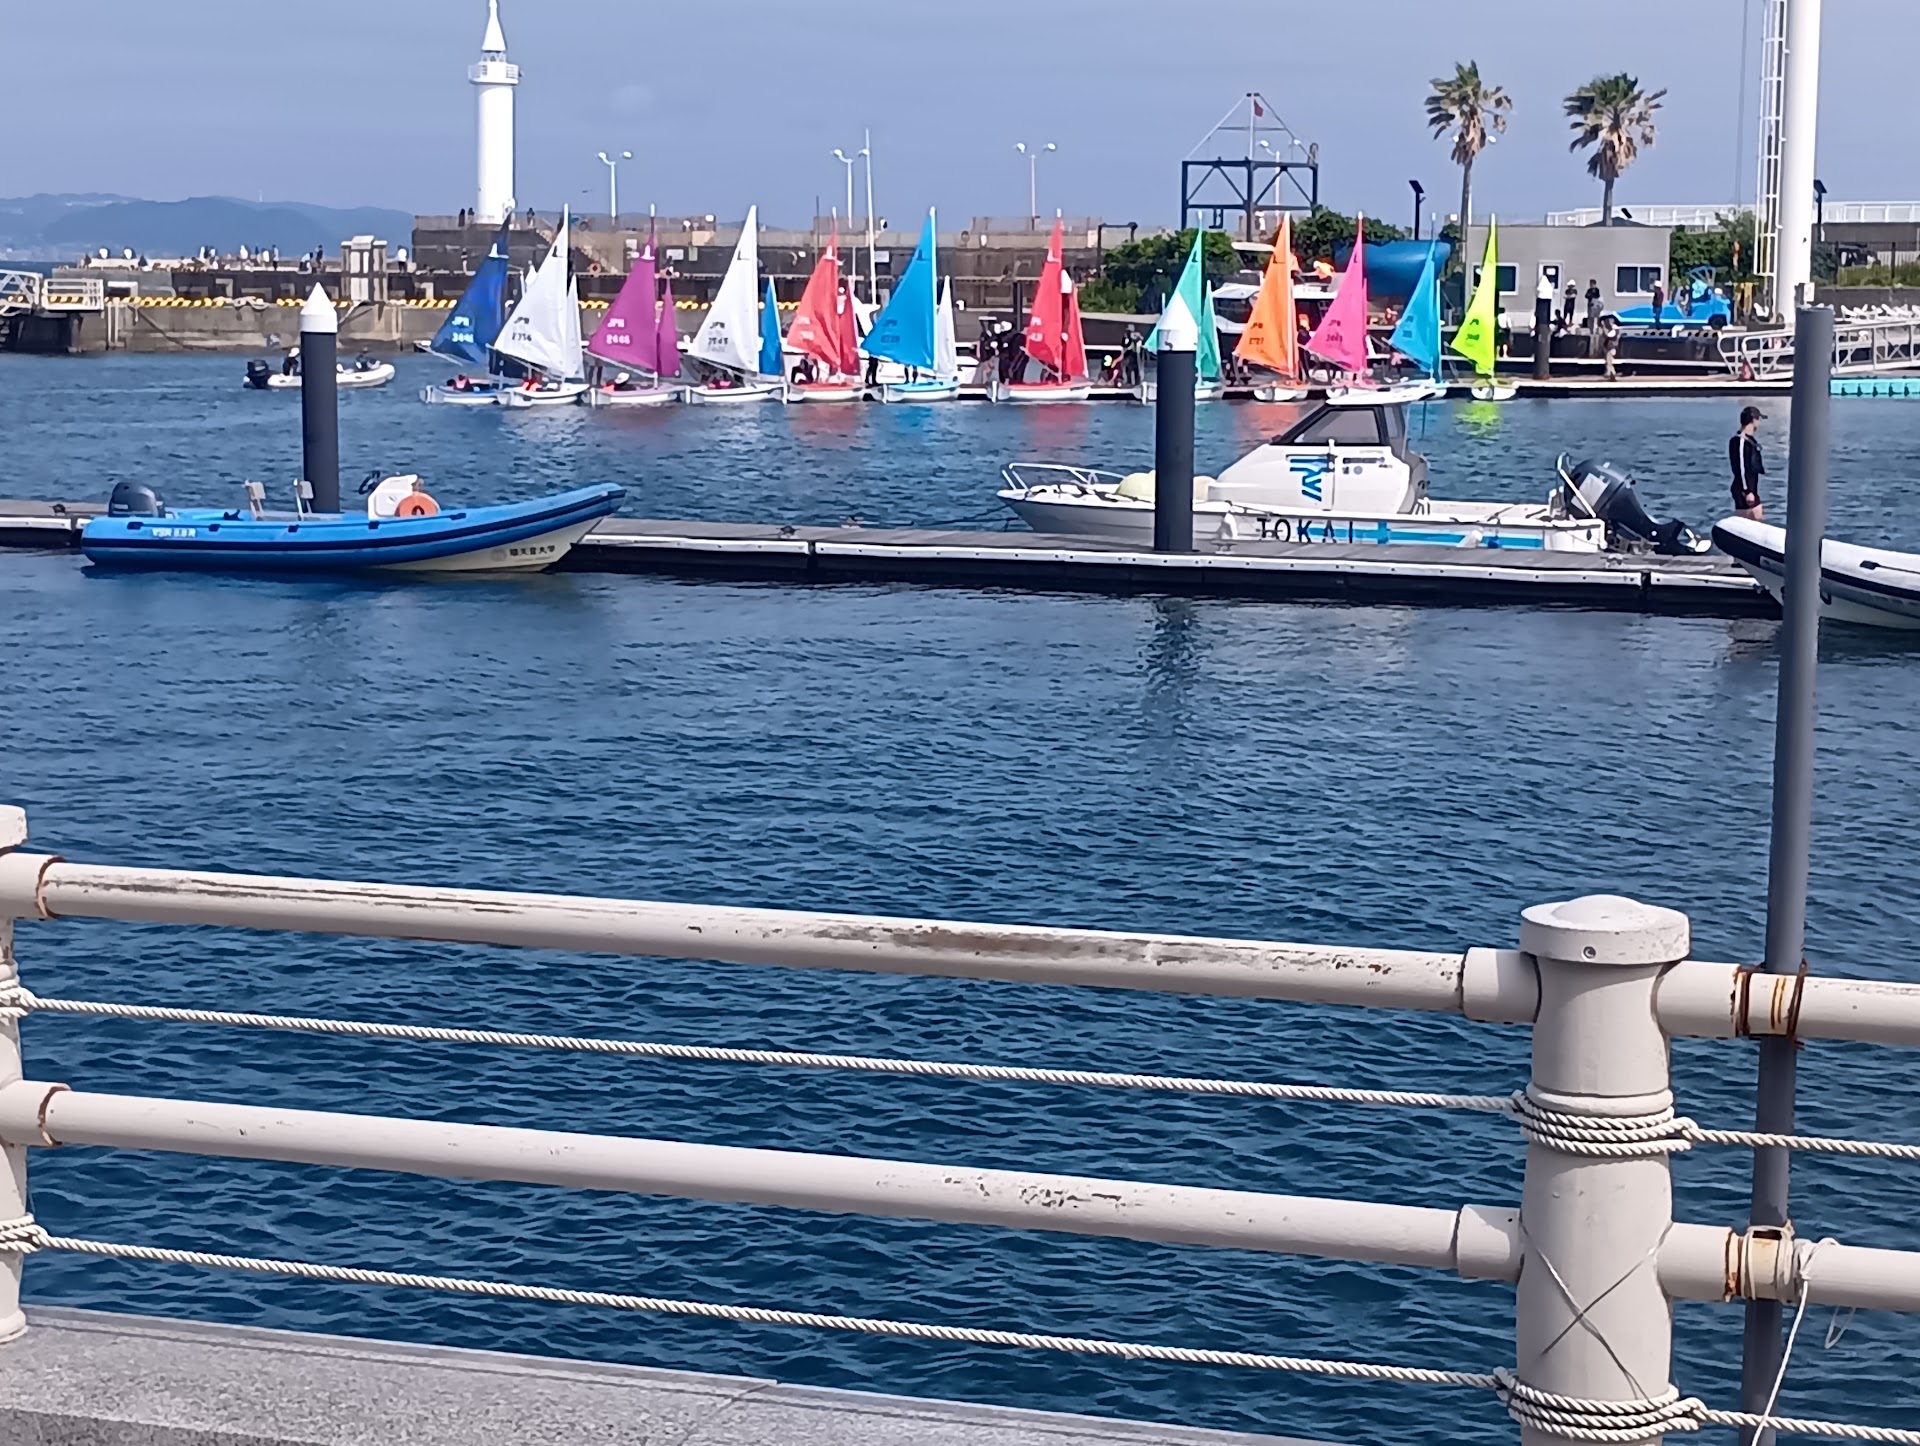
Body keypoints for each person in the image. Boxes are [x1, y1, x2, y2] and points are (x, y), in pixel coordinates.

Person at [1729, 405, 1766, 520]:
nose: (1759, 423)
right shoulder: (1740, 441)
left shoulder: (1750, 440)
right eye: (1758, 419)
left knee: (1757, 520)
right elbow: (1741, 467)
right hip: (1744, 489)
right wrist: (1747, 491)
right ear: (1753, 420)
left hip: (1751, 488)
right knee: (1753, 520)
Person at [1601, 316, 1621, 381]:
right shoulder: (1613, 329)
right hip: (1610, 348)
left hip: (1612, 348)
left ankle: (1612, 375)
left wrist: (1603, 327)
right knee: (1608, 362)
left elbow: (1608, 335)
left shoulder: (1614, 329)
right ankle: (1610, 375)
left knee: (1609, 362)